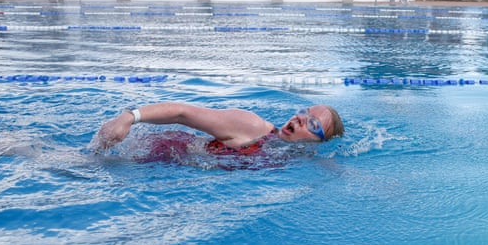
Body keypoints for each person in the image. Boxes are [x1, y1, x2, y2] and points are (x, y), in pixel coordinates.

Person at [91, 102, 344, 159]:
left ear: (318, 142)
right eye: (305, 112)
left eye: (312, 124)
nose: (301, 118)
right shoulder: (253, 126)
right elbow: (183, 113)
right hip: (159, 151)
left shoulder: (296, 158)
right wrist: (128, 117)